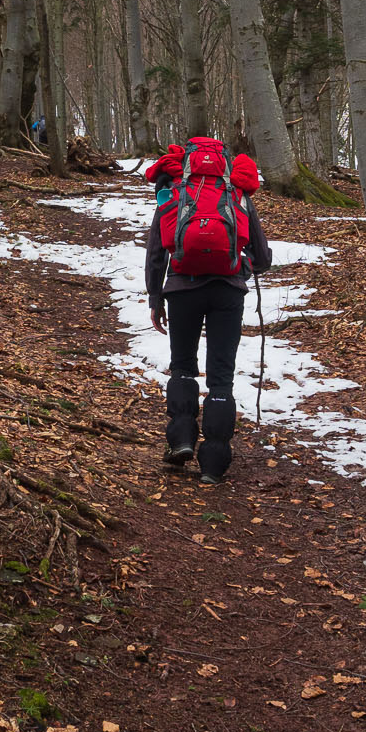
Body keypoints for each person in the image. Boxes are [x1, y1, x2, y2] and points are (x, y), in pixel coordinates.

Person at [144, 140, 273, 483]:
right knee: (221, 375)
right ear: (225, 164)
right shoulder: (237, 194)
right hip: (228, 292)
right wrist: (243, 265)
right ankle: (214, 464)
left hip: (182, 290)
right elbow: (262, 257)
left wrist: (156, 297)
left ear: (187, 162)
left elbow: (157, 251)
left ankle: (181, 440)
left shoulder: (174, 192)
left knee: (183, 366)